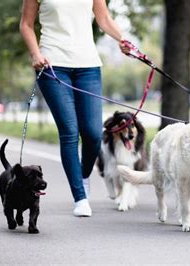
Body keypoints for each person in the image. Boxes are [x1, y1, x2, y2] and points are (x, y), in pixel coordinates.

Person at [20, 0, 131, 217]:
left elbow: (104, 19)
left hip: (88, 66)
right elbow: (26, 24)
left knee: (92, 134)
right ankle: (80, 198)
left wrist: (123, 39)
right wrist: (35, 53)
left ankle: (82, 176)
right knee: (70, 131)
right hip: (52, 65)